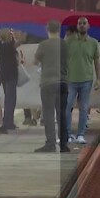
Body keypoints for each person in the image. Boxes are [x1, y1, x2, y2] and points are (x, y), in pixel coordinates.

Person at [34, 20, 70, 153]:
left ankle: (50, 144)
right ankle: (64, 145)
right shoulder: (65, 44)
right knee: (62, 114)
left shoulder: (43, 44)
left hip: (47, 83)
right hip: (63, 82)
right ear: (59, 29)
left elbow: (35, 60)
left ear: (47, 29)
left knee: (48, 114)